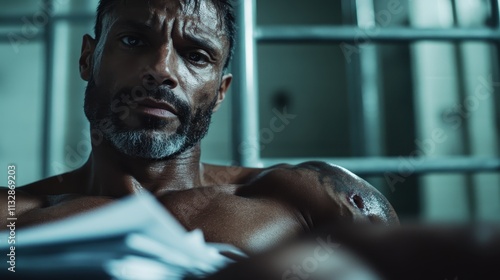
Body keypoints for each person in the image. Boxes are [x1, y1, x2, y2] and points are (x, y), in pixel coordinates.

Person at [0, 0, 398, 255]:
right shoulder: (13, 217)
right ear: (89, 58)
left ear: (221, 91)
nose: (162, 71)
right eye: (135, 40)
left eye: (196, 55)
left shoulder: (307, 201)